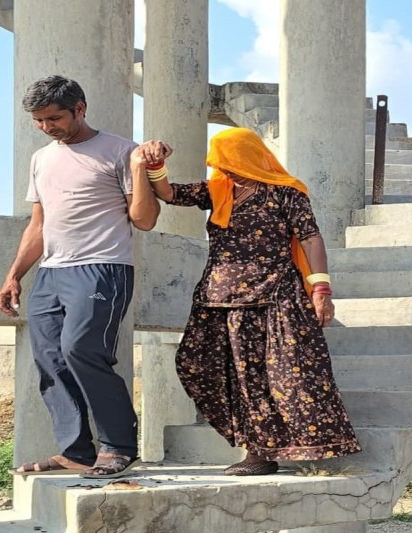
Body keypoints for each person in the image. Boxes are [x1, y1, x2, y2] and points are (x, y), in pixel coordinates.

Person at [143, 127, 361, 475]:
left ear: (246, 157)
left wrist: (321, 290)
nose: (221, 170)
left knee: (288, 375)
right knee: (220, 371)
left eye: (225, 162)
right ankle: (257, 450)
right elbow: (169, 194)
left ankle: (295, 452)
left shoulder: (285, 193)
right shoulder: (217, 191)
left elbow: (310, 237)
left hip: (276, 297)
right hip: (220, 301)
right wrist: (154, 164)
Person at [0, 75, 168, 479]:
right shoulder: (41, 159)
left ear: (80, 109)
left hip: (102, 268)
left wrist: (142, 170)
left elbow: (144, 219)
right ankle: (76, 451)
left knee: (81, 350)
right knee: (51, 360)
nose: (46, 127)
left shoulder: (121, 152)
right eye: (38, 121)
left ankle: (118, 446)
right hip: (51, 273)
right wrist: (14, 275)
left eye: (53, 118)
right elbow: (38, 224)